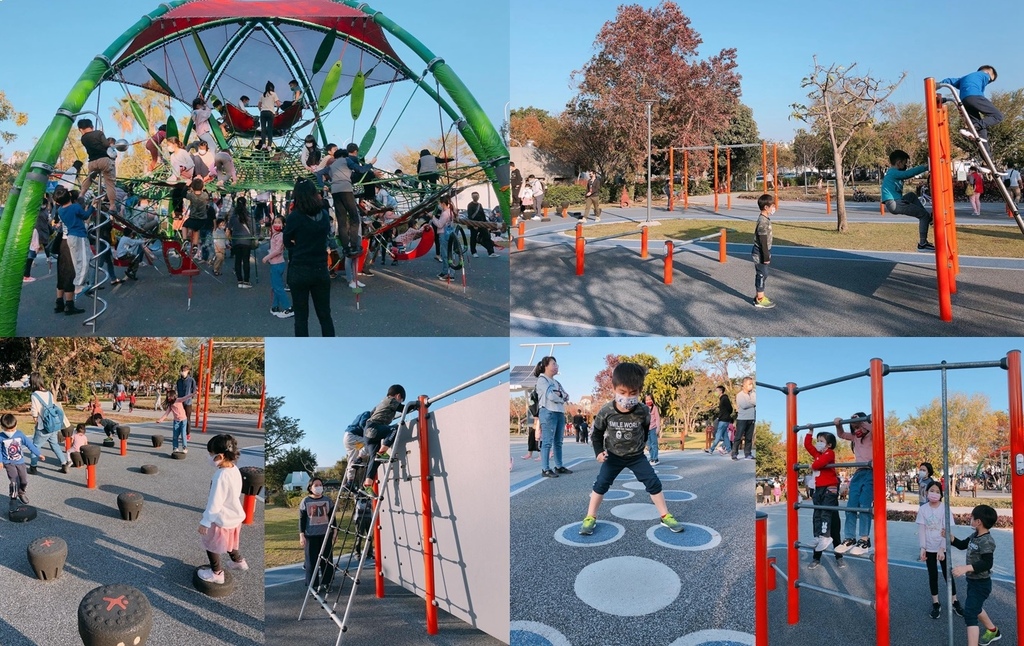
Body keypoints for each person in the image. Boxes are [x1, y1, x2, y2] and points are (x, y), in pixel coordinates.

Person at [579, 362, 683, 535]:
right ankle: (590, 517)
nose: (627, 397)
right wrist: (599, 452)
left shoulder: (643, 411)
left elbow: (644, 429)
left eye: (633, 393)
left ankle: (665, 515)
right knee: (601, 484)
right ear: (614, 389)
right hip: (613, 456)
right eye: (622, 392)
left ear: (640, 391)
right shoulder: (606, 411)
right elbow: (596, 433)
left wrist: (641, 446)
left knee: (653, 482)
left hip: (636, 456)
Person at [285, 179, 335, 336]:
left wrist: (297, 244)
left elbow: (287, 241)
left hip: (299, 268)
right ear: (315, 194)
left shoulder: (295, 217)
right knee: (325, 315)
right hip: (320, 269)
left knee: (301, 318)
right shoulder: (324, 215)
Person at [197, 434, 248, 585]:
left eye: (210, 454)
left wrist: (205, 522)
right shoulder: (234, 469)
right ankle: (239, 561)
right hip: (234, 516)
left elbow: (215, 503)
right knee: (230, 542)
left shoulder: (220, 476)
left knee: (211, 544)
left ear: (219, 456)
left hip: (221, 519)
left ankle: (216, 573)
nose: (209, 457)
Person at [951, 505, 1001, 645]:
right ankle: (993, 631)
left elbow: (987, 563)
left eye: (972, 517)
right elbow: (962, 545)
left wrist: (966, 568)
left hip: (982, 584)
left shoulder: (986, 540)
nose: (969, 519)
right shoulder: (975, 535)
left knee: (970, 613)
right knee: (976, 608)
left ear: (978, 521)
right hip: (973, 582)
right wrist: (951, 538)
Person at [916, 481, 963, 619]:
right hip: (929, 548)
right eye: (932, 490)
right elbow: (922, 530)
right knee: (932, 576)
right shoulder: (923, 509)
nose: (934, 494)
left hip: (943, 547)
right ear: (926, 492)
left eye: (937, 491)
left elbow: (946, 530)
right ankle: (936, 603)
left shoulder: (945, 509)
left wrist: (942, 548)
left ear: (941, 494)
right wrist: (923, 548)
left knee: (948, 575)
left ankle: (955, 601)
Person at [940, 66, 1002, 161]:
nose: (988, 83)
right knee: (998, 116)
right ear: (989, 73)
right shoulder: (984, 75)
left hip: (964, 101)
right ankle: (974, 127)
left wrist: (937, 85)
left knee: (982, 132)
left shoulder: (964, 78)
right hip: (974, 97)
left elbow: (950, 81)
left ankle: (986, 161)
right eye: (990, 80)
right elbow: (981, 94)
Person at [833, 413, 874, 556]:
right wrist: (839, 424)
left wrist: (861, 422)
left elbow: (875, 425)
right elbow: (842, 434)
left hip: (871, 471)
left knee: (864, 506)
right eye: (854, 427)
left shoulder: (872, 434)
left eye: (860, 426)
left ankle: (864, 540)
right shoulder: (855, 437)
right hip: (858, 473)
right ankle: (849, 538)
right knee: (850, 506)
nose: (858, 430)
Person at [881, 150, 934, 250]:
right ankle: (923, 242)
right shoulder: (893, 172)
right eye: (905, 163)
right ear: (899, 163)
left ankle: (928, 219)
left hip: (895, 201)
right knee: (923, 215)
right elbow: (907, 174)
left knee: (911, 196)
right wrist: (926, 167)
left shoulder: (892, 173)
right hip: (895, 203)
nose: (906, 166)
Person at [360, 385, 406, 496]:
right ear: (398, 396)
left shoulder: (380, 403)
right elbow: (404, 408)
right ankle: (382, 453)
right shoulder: (390, 400)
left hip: (369, 433)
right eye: (401, 400)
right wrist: (418, 404)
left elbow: (372, 414)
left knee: (374, 460)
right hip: (374, 428)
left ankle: (367, 485)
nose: (400, 402)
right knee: (395, 429)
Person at [804, 430, 839, 569]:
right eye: (817, 440)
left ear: (829, 444)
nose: (818, 443)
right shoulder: (818, 454)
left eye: (821, 441)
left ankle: (825, 536)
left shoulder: (829, 453)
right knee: (817, 513)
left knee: (825, 512)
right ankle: (819, 536)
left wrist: (811, 466)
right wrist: (809, 433)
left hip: (830, 487)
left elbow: (820, 463)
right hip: (819, 488)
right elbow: (808, 446)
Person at [534, 356, 571, 478]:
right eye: (553, 364)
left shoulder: (556, 382)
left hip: (559, 412)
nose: (556, 366)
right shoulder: (542, 380)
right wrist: (561, 396)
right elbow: (551, 396)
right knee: (547, 442)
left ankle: (559, 466)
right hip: (548, 412)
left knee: (558, 442)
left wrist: (560, 395)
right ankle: (545, 469)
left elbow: (567, 396)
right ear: (546, 366)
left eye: (556, 364)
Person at [28, 373, 70, 475]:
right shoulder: (49, 394)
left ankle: (33, 467)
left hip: (43, 426)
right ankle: (64, 463)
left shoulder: (34, 395)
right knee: (54, 444)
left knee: (35, 446)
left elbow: (34, 411)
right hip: (54, 425)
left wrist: (35, 419)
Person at [299, 477, 336, 590]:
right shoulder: (306, 501)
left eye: (320, 485)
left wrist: (334, 532)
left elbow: (332, 518)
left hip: (325, 534)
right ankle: (312, 584)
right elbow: (302, 519)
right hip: (311, 535)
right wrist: (301, 535)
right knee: (311, 561)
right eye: (316, 485)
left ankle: (327, 582)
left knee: (327, 560)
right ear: (310, 487)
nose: (319, 487)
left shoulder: (328, 500)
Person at [1, 413, 45, 503]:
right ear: (2, 427)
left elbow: (29, 444)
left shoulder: (20, 434)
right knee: (14, 482)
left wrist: (38, 454)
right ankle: (13, 500)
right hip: (9, 463)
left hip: (20, 462)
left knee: (24, 480)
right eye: (7, 430)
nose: (10, 432)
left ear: (16, 425)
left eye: (12, 430)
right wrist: (0, 461)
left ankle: (21, 493)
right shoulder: (1, 437)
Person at [77, 119, 118, 210]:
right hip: (104, 160)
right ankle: (112, 205)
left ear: (81, 129)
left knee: (90, 178)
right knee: (110, 183)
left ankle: (82, 194)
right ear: (92, 126)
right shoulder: (99, 133)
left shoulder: (83, 139)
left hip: (92, 163)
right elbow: (106, 145)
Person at [262, 214, 293, 318]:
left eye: (279, 223)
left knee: (278, 287)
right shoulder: (276, 234)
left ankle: (288, 307)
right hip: (276, 264)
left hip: (277, 264)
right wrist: (272, 219)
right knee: (275, 286)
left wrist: (267, 257)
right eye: (275, 222)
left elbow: (278, 250)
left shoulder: (281, 236)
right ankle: (275, 306)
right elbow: (273, 229)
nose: (276, 224)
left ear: (283, 225)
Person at [751, 193, 775, 309]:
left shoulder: (765, 219)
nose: (773, 208)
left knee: (764, 274)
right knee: (762, 274)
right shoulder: (763, 221)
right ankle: (759, 299)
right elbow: (763, 240)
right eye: (772, 206)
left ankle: (759, 296)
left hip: (763, 251)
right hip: (760, 251)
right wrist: (766, 256)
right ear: (766, 207)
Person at [229, 196, 254, 288]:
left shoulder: (233, 216)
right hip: (246, 240)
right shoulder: (249, 216)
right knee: (246, 261)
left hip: (236, 240)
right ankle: (246, 281)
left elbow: (229, 228)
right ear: (245, 204)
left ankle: (239, 280)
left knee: (237, 261)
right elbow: (253, 229)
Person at [157, 389, 190, 454]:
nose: (168, 398)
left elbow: (185, 397)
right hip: (176, 421)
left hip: (183, 420)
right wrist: (160, 420)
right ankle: (175, 447)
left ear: (173, 396)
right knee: (175, 435)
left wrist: (193, 394)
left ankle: (185, 447)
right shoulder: (170, 405)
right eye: (168, 396)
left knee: (183, 434)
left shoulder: (178, 400)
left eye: (170, 396)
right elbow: (166, 414)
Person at [732, 377, 756, 460]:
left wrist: (751, 402)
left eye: (752, 384)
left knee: (749, 438)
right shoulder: (739, 395)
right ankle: (734, 453)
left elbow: (756, 402)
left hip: (751, 418)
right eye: (749, 384)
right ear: (744, 385)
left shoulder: (753, 393)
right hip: (742, 419)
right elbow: (744, 405)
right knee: (738, 437)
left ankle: (748, 453)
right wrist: (752, 403)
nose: (751, 386)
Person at [433, 195, 456, 282]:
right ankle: (446, 271)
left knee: (445, 254)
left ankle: (448, 273)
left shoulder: (445, 213)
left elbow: (439, 224)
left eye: (440, 203)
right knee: (450, 253)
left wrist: (433, 218)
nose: (439, 205)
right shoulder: (450, 212)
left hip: (443, 234)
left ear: (443, 203)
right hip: (449, 234)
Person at [466, 192, 496, 258]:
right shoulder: (470, 205)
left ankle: (491, 252)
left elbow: (483, 215)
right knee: (473, 238)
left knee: (487, 237)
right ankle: (473, 252)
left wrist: (486, 225)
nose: (476, 197)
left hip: (481, 224)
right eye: (474, 196)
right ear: (472, 197)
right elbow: (470, 216)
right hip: (474, 224)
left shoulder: (480, 205)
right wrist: (473, 225)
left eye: (476, 196)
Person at [707, 385, 733, 455]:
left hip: (724, 420)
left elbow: (730, 409)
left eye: (717, 391)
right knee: (725, 436)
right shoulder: (721, 399)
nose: (716, 392)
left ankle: (711, 449)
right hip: (724, 419)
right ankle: (729, 450)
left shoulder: (724, 399)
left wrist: (724, 415)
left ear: (721, 391)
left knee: (718, 435)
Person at [257, 81, 281, 150]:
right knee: (270, 129)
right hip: (271, 113)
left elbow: (259, 105)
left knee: (263, 129)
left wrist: (261, 110)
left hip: (263, 112)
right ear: (272, 88)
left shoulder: (262, 95)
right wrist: (276, 111)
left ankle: (263, 144)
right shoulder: (274, 94)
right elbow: (278, 104)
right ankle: (269, 146)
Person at [176, 365, 198, 439]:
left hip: (188, 403)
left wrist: (191, 396)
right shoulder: (178, 381)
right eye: (182, 371)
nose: (183, 372)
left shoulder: (191, 380)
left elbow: (194, 390)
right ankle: (180, 433)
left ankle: (187, 433)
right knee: (179, 418)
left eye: (184, 371)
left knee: (187, 418)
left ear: (188, 371)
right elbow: (178, 391)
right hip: (180, 403)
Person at [645, 394, 661, 465]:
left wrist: (658, 428)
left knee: (654, 443)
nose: (648, 401)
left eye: (649, 399)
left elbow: (657, 419)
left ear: (652, 400)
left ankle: (655, 458)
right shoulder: (644, 408)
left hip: (653, 428)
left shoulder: (654, 408)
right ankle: (652, 458)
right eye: (647, 400)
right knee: (649, 445)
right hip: (646, 429)